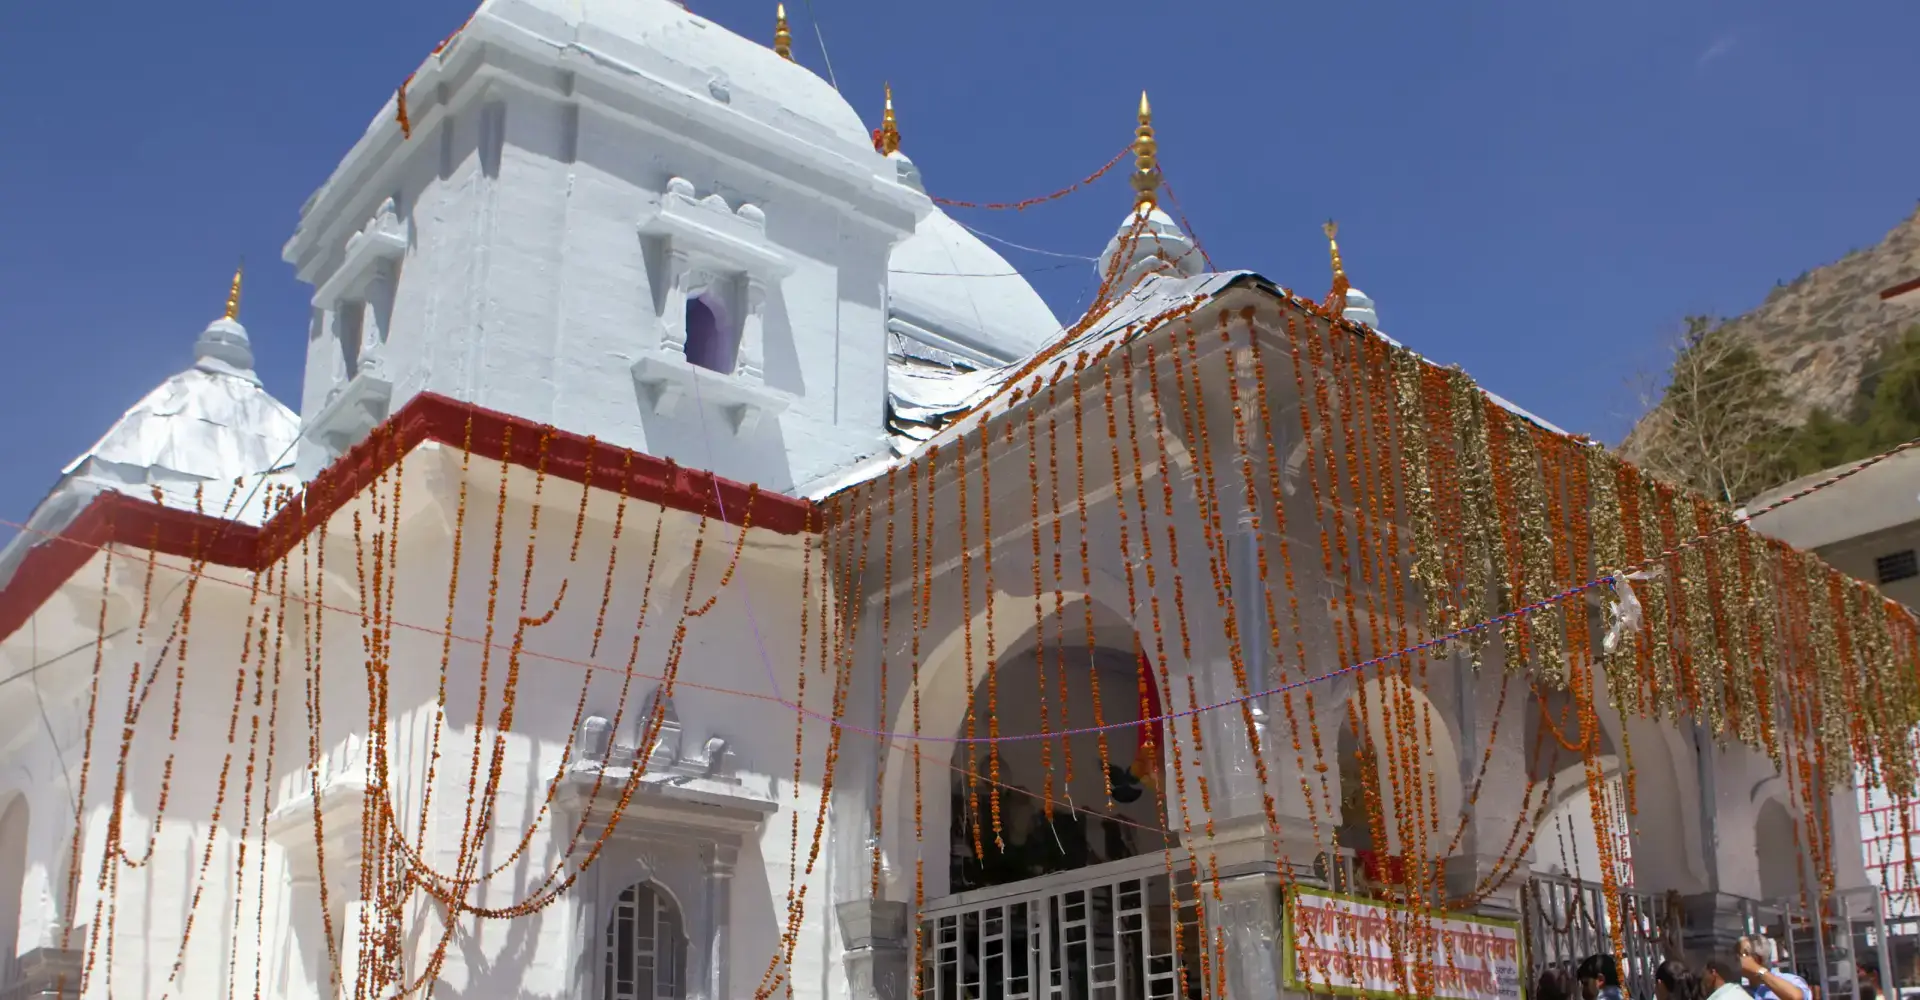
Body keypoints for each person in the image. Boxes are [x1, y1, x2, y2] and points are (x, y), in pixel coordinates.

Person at [1739, 935, 1809, 1000]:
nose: (1736, 959)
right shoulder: (1739, 991)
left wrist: (1759, 970)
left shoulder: (1790, 981)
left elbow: (1796, 997)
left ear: (1757, 959)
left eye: (1741, 954)